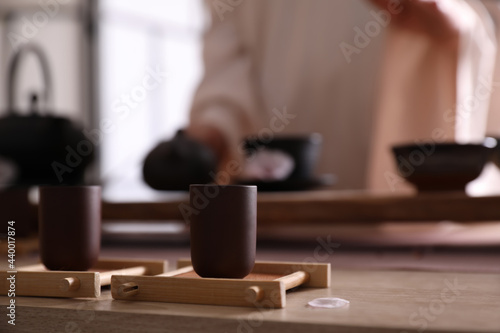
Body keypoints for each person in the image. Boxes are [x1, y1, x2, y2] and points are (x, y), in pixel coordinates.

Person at [144, 0, 500, 192]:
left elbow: (484, 20)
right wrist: (199, 146)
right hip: (288, 215)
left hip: (418, 213)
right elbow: (228, 76)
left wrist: (451, 28)